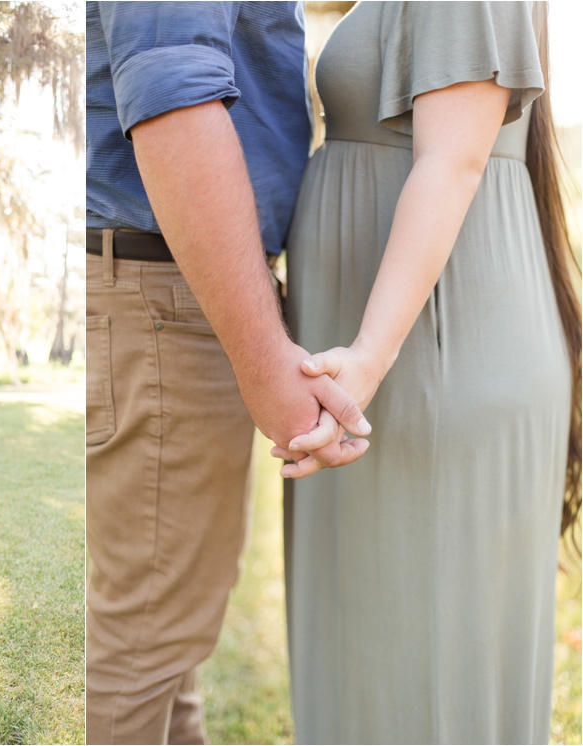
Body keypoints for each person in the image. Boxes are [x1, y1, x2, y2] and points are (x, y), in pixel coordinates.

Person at [275, 2, 582, 742]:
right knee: (378, 677)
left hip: (425, 363)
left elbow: (453, 160)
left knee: (420, 690)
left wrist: (366, 363)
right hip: (397, 367)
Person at [84, 3, 372, 743]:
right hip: (164, 287)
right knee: (142, 645)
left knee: (164, 635)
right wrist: (261, 353)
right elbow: (172, 95)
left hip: (171, 286)